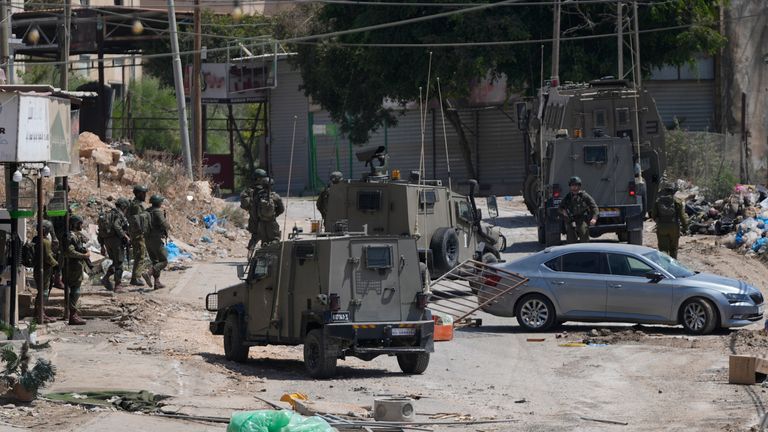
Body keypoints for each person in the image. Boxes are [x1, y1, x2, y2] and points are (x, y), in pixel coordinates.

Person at [99, 198, 131, 293]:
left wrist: (102, 245)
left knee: (115, 262)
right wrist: (125, 236)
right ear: (123, 206)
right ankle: (118, 286)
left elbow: (100, 231)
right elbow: (117, 226)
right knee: (119, 264)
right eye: (125, 208)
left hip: (107, 241)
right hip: (116, 241)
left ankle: (105, 278)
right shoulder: (118, 214)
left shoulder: (107, 214)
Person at [651, 182, 689, 259]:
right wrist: (685, 227)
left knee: (663, 250)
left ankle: (664, 267)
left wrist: (659, 222)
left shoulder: (658, 201)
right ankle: (673, 268)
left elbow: (653, 215)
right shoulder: (677, 201)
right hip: (674, 227)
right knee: (673, 249)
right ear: (673, 191)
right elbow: (682, 216)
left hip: (661, 227)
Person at [64, 215, 90, 325]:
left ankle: (73, 314)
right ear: (74, 224)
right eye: (79, 224)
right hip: (73, 266)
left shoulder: (75, 236)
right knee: (75, 291)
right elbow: (70, 252)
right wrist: (83, 256)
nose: (81, 226)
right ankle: (72, 315)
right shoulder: (69, 236)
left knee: (76, 290)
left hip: (77, 266)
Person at [558, 176, 599, 244]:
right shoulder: (568, 197)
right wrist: (563, 211)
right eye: (572, 186)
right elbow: (560, 208)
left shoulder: (584, 196)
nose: (574, 188)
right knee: (571, 239)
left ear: (579, 186)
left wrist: (594, 218)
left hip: (582, 219)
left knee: (584, 233)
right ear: (570, 186)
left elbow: (594, 207)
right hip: (571, 220)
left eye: (576, 186)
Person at [143, 194, 171, 289]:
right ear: (159, 203)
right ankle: (149, 273)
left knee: (155, 261)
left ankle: (157, 283)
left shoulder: (147, 211)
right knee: (163, 261)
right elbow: (165, 225)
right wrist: (169, 226)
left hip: (147, 239)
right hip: (156, 239)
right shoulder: (157, 212)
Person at [249, 176, 284, 250]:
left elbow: (254, 211)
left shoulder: (258, 196)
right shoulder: (275, 196)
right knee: (275, 240)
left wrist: (258, 219)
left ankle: (264, 259)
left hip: (261, 223)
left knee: (264, 242)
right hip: (272, 222)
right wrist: (274, 214)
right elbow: (282, 209)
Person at [34, 220, 58, 323]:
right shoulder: (45, 242)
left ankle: (39, 314)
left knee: (41, 292)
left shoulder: (35, 239)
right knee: (44, 292)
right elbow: (48, 257)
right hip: (45, 270)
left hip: (37, 269)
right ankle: (41, 315)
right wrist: (56, 265)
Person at [127, 185, 150, 286]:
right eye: (144, 193)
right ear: (139, 194)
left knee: (140, 255)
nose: (145, 195)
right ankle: (135, 278)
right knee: (140, 255)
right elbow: (136, 221)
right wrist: (142, 231)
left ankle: (136, 277)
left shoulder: (136, 204)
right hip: (137, 234)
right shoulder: (136, 206)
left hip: (137, 234)